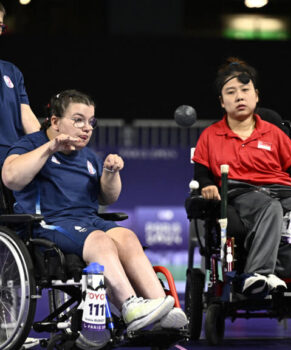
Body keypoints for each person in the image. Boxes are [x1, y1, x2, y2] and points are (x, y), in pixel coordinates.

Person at [1, 89, 188, 333]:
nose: (87, 128)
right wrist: (50, 148)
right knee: (100, 240)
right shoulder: (30, 144)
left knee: (126, 236)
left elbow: (108, 196)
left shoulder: (88, 157)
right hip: (48, 224)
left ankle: (161, 308)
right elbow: (11, 178)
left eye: (91, 122)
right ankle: (130, 306)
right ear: (55, 122)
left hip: (87, 221)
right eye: (78, 120)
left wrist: (111, 173)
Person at [192, 57, 291, 297]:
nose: (239, 97)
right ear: (222, 101)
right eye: (231, 92)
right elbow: (201, 173)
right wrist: (208, 186)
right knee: (269, 207)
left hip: (283, 190)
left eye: (245, 90)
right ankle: (258, 274)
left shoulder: (274, 132)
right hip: (240, 192)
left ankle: (282, 273)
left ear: (256, 96)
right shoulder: (210, 135)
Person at [0, 1, 40, 165]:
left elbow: (26, 116)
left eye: (1, 26)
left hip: (11, 160)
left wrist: (49, 146)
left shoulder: (12, 72)